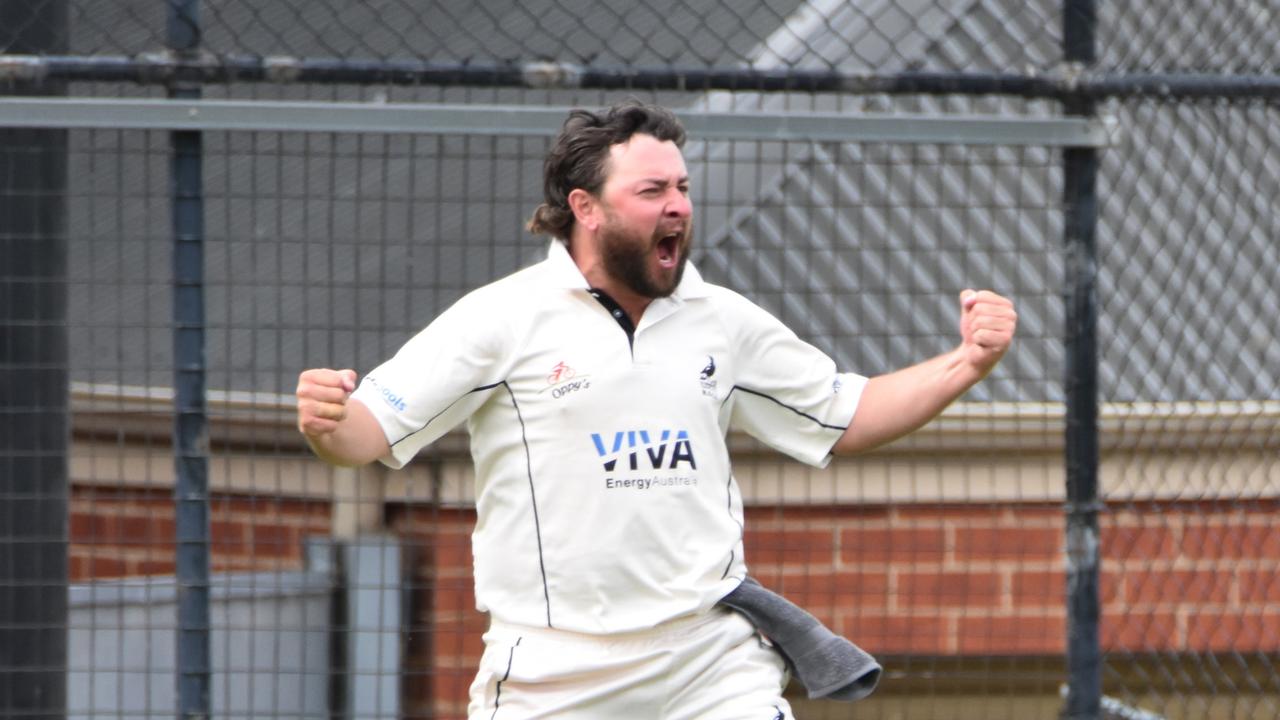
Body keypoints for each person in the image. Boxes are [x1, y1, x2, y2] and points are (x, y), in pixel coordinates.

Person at [295, 100, 1016, 719]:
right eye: (651, 191)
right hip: (555, 671)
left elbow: (846, 415)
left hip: (708, 659)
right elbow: (369, 433)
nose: (678, 205)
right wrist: (328, 422)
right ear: (585, 208)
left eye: (682, 187)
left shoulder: (721, 319)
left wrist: (967, 363)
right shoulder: (501, 319)